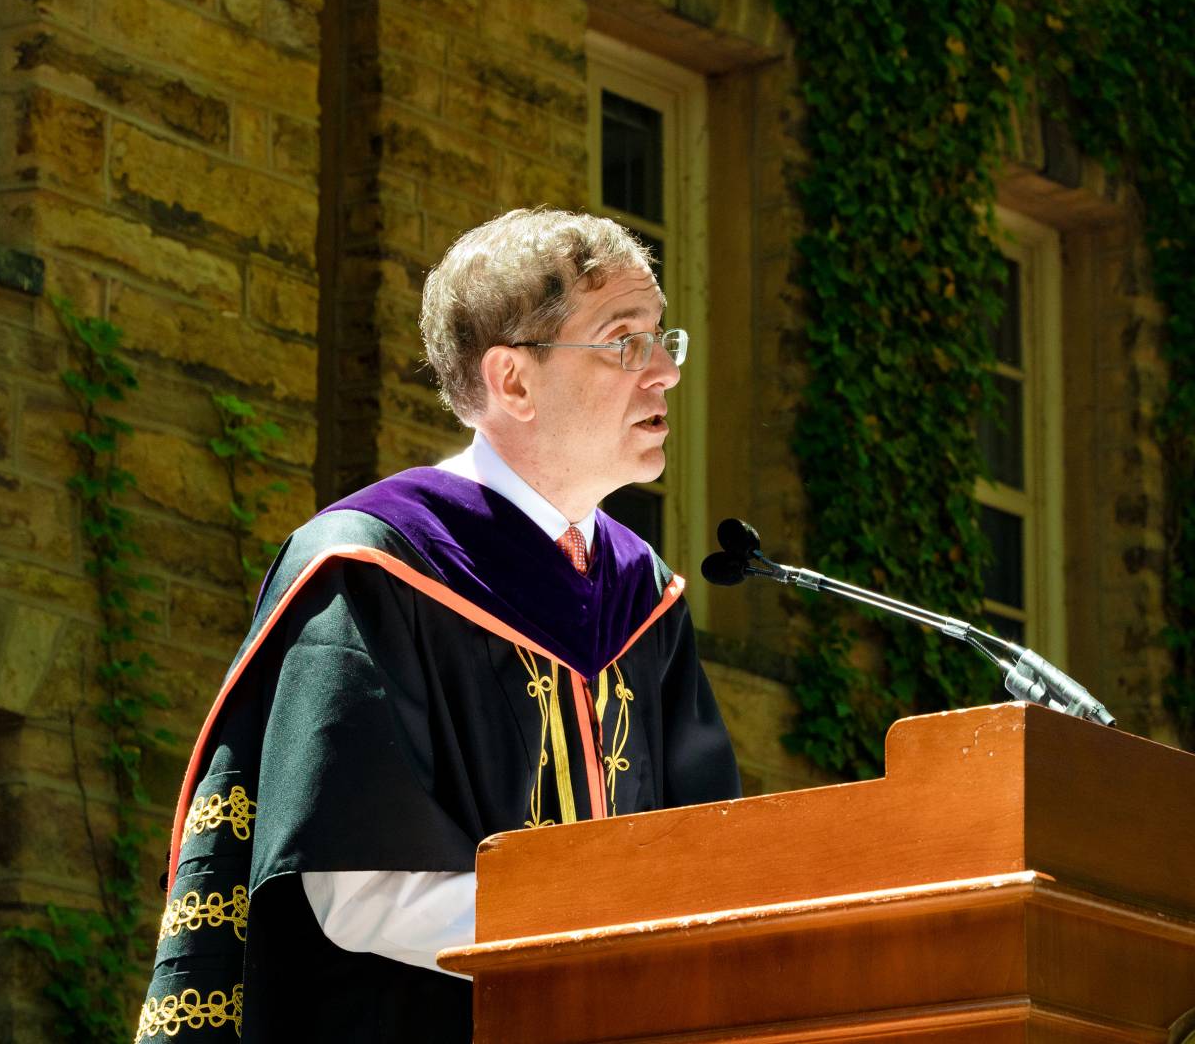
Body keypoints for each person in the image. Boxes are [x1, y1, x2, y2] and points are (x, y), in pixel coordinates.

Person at [136, 209, 742, 1042]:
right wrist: (608, 933)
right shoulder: (376, 567)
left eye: (661, 340)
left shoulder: (643, 599)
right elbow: (357, 888)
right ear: (514, 381)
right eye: (621, 340)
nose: (663, 374)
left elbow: (721, 865)